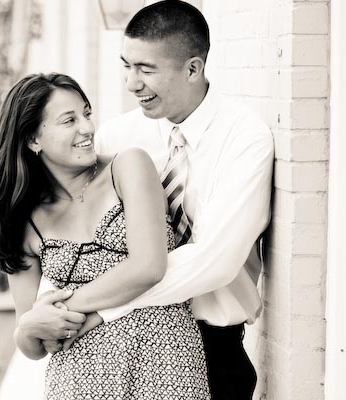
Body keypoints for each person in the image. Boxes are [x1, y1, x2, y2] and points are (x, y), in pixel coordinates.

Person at [25, 1, 274, 399]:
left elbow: (215, 260)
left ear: (192, 68)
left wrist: (93, 308)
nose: (131, 83)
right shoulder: (115, 137)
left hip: (213, 350)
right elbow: (78, 236)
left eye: (146, 69)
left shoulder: (245, 139)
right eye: (127, 65)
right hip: (116, 350)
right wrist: (42, 313)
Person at [0, 72, 210, 399]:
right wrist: (27, 329)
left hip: (164, 363)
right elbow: (35, 341)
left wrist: (67, 308)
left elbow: (149, 267)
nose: (87, 128)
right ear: (32, 139)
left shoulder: (127, 167)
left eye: (86, 113)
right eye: (69, 120)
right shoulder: (24, 223)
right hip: (79, 381)